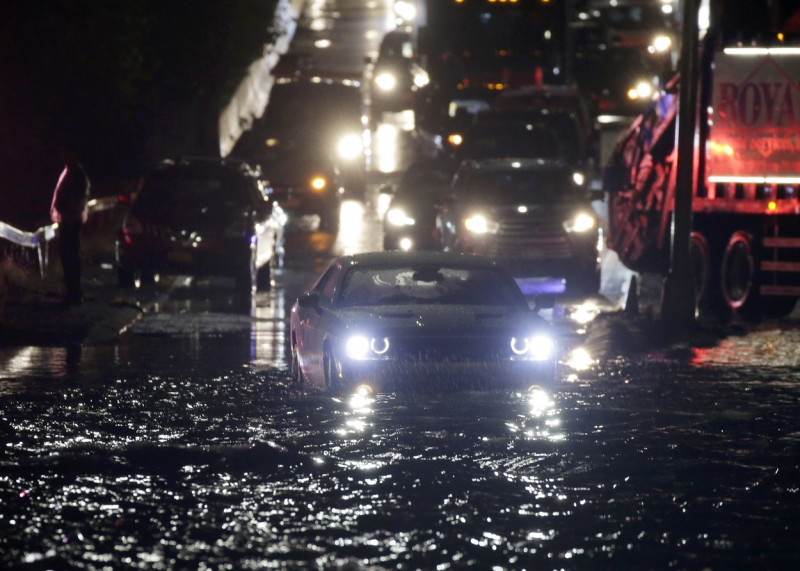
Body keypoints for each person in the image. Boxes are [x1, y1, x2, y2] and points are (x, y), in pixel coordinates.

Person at [50, 147, 91, 306]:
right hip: (68, 220)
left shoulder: (77, 175)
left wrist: (65, 211)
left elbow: (75, 200)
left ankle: (74, 294)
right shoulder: (71, 173)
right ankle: (72, 292)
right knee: (68, 257)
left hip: (70, 221)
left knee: (70, 257)